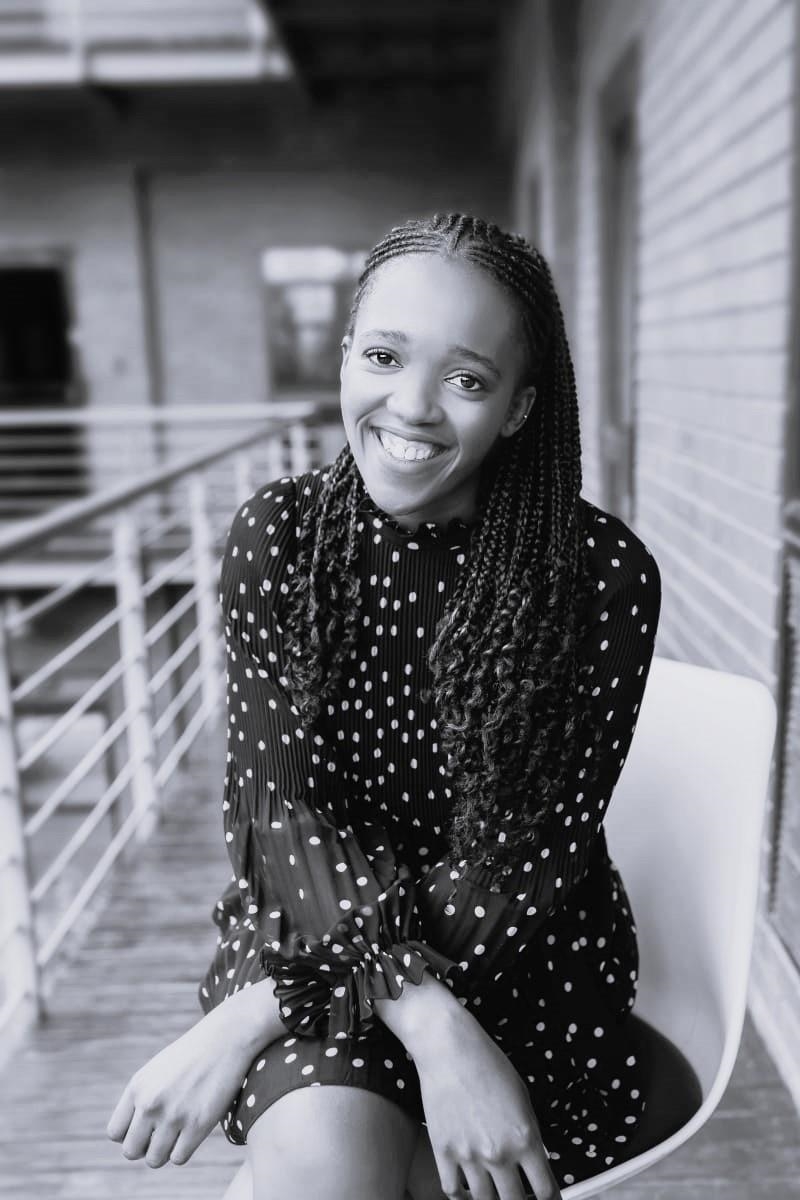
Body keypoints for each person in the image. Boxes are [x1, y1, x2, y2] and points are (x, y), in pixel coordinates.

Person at [106, 213, 662, 1200]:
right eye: (383, 356)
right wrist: (424, 1017)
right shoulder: (280, 536)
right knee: (323, 1153)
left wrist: (261, 1010)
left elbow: (524, 854)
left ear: (519, 408)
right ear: (345, 356)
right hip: (310, 915)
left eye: (467, 379)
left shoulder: (597, 575)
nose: (410, 407)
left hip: (516, 957)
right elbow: (280, 816)